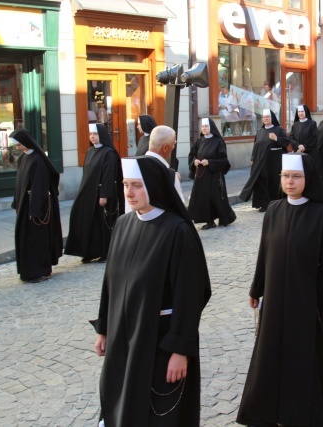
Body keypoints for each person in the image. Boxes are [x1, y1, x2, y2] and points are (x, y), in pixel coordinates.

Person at [237, 153, 323, 426]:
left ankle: (305, 412)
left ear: (308, 178)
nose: (289, 182)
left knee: (308, 357)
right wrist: (256, 288)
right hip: (277, 300)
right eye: (285, 176)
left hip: (309, 302)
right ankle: (269, 409)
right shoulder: (274, 210)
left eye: (295, 177)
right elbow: (265, 253)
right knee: (272, 354)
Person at [91, 156, 211, 426]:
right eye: (125, 185)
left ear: (155, 186)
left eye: (137, 185)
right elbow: (110, 282)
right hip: (124, 334)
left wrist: (180, 350)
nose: (129, 193)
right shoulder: (122, 224)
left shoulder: (177, 231)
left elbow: (190, 297)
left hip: (161, 340)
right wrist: (104, 328)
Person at [64, 123, 123, 263]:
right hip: (89, 194)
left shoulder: (109, 153)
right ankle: (89, 251)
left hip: (103, 194)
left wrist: (104, 195)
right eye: (90, 134)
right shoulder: (90, 152)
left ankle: (105, 252)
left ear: (101, 135)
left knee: (103, 224)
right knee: (87, 222)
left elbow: (109, 176)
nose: (92, 137)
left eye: (95, 134)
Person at [10, 128, 63, 283]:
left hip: (35, 206)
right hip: (24, 204)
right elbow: (19, 184)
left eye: (19, 145)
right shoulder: (23, 159)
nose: (18, 148)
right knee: (26, 239)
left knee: (37, 239)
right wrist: (16, 203)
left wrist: (35, 209)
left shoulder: (38, 160)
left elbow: (40, 187)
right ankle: (28, 271)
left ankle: (40, 270)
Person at [187, 118, 236, 230]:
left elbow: (223, 160)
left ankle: (225, 218)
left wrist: (209, 162)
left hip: (214, 175)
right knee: (203, 198)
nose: (204, 128)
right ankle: (209, 221)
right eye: (203, 126)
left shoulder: (218, 142)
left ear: (211, 128)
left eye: (206, 126)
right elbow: (192, 154)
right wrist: (194, 161)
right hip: (201, 176)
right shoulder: (200, 141)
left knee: (216, 197)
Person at [239, 109, 289, 212]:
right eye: (264, 117)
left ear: (272, 118)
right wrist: (253, 158)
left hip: (273, 161)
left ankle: (273, 203)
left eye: (268, 117)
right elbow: (256, 146)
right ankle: (262, 204)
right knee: (261, 182)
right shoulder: (260, 131)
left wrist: (276, 138)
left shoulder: (278, 130)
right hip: (259, 161)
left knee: (272, 182)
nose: (266, 119)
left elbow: (286, 142)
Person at [147, 125, 185, 203]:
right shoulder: (170, 175)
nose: (174, 147)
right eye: (173, 144)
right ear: (165, 148)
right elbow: (180, 205)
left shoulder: (135, 167)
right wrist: (173, 180)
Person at [289, 104, 323, 184]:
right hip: (298, 152)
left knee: (310, 173)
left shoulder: (312, 124)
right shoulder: (295, 125)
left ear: (306, 112)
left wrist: (304, 147)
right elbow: (291, 137)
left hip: (310, 153)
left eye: (302, 111)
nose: (300, 113)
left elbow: (314, 138)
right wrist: (298, 146)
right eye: (299, 112)